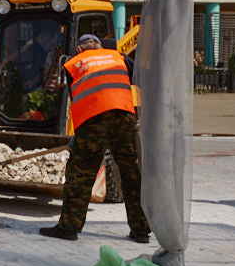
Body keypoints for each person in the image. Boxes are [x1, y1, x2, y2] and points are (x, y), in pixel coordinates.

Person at [39, 34, 151, 243]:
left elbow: (76, 97)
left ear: (79, 49)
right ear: (100, 47)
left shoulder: (75, 63)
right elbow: (142, 78)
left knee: (81, 173)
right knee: (130, 172)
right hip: (124, 116)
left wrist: (80, 135)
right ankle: (141, 230)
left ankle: (69, 227)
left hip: (94, 118)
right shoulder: (118, 57)